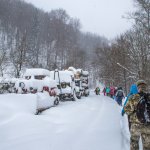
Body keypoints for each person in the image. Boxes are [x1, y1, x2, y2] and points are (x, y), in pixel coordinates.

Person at [124, 80, 150, 150]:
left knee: (134, 143)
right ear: (146, 87)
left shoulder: (133, 97)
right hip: (147, 125)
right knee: (147, 145)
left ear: (138, 87)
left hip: (135, 126)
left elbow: (127, 110)